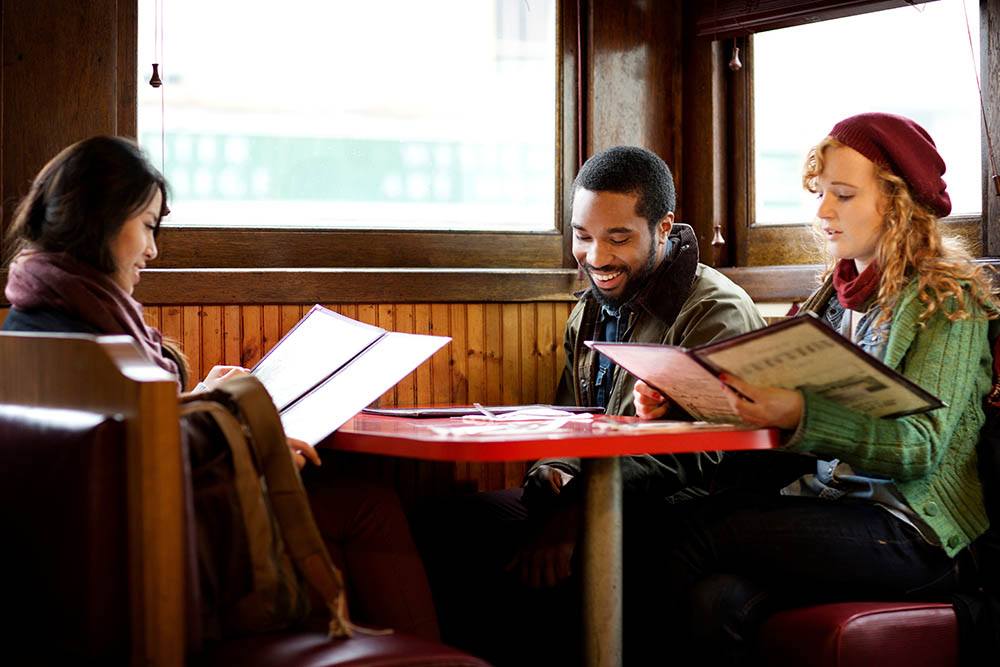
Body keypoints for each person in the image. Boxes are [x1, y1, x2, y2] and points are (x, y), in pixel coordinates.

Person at [1, 135, 439, 641]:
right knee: (370, 507)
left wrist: (201, 401)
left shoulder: (32, 320)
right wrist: (249, 448)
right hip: (152, 554)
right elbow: (131, 463)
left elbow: (119, 438)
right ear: (98, 222)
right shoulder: (91, 339)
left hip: (92, 551)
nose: (152, 249)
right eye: (146, 226)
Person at [633, 112, 997, 664]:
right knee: (713, 594)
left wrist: (801, 411)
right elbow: (786, 409)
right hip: (835, 504)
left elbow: (920, 447)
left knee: (701, 532)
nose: (824, 211)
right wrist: (685, 400)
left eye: (844, 195)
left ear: (897, 204)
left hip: (916, 530)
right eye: (821, 194)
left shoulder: (946, 298)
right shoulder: (837, 294)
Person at [414, 145, 764, 664]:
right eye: (583, 237)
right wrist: (555, 473)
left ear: (663, 228)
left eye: (618, 238)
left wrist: (575, 514)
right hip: (598, 498)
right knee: (442, 526)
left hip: (683, 512)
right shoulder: (593, 307)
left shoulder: (714, 313)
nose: (597, 257)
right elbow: (570, 420)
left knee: (544, 563)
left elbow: (702, 455)